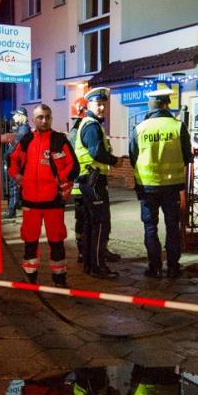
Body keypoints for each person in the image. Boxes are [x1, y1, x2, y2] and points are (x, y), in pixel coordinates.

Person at [6, 102, 78, 287]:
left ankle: (60, 279)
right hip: (31, 200)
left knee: (56, 241)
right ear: (33, 119)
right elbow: (11, 159)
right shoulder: (26, 140)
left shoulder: (59, 140)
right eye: (40, 117)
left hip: (53, 200)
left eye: (47, 117)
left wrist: (58, 180)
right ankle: (30, 278)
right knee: (30, 240)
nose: (44, 120)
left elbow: (73, 166)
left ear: (51, 118)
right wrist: (17, 176)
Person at [128, 87, 193, 279]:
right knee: (172, 226)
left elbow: (133, 157)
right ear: (166, 104)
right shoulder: (178, 127)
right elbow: (187, 156)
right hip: (172, 187)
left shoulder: (139, 128)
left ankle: (154, 267)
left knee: (150, 226)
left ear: (150, 105)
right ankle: (173, 266)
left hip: (147, 187)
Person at [72, 88, 118, 278]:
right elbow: (96, 152)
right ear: (89, 105)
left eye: (103, 104)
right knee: (100, 224)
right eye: (98, 104)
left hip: (89, 181)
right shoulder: (91, 125)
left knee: (91, 224)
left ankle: (90, 265)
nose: (101, 108)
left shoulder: (90, 124)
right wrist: (115, 161)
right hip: (93, 181)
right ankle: (98, 266)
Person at [0, 108, 28, 218]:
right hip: (19, 163)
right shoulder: (22, 129)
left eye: (16, 115)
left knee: (14, 187)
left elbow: (14, 149)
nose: (13, 117)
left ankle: (12, 211)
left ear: (21, 116)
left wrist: (5, 156)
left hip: (17, 163)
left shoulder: (23, 131)